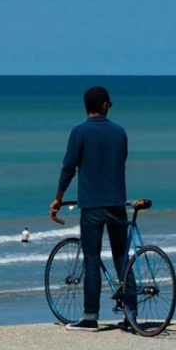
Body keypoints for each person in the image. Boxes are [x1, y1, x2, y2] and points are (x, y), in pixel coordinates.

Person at [49, 85, 132, 330]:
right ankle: (132, 314)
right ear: (105, 105)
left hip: (92, 206)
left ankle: (90, 317)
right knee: (121, 258)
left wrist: (58, 198)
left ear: (87, 107)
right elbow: (122, 159)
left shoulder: (79, 133)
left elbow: (68, 168)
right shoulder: (119, 132)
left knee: (92, 258)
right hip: (117, 203)